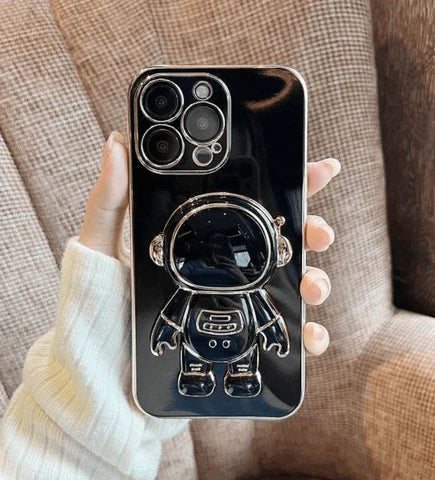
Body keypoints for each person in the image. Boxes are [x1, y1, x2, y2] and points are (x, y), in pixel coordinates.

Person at [0, 131, 340, 479]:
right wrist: (126, 349)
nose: (217, 259)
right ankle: (199, 373)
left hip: (233, 343)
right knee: (195, 361)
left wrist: (109, 363)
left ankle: (239, 373)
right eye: (200, 249)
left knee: (235, 359)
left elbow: (264, 318)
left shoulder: (240, 293)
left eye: (233, 248)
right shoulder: (193, 292)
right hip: (196, 345)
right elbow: (175, 319)